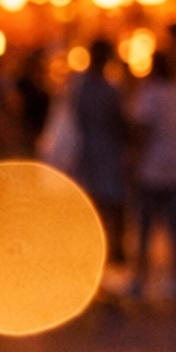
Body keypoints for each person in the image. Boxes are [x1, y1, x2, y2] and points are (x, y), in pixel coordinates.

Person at [126, 50, 176, 296]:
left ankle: (139, 276)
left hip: (152, 166)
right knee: (175, 224)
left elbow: (141, 129)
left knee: (144, 224)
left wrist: (134, 160)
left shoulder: (150, 94)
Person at [73, 37, 129, 274]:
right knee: (111, 206)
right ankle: (109, 254)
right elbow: (119, 122)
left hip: (89, 152)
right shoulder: (107, 89)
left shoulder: (79, 87)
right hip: (105, 152)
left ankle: (97, 257)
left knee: (96, 206)